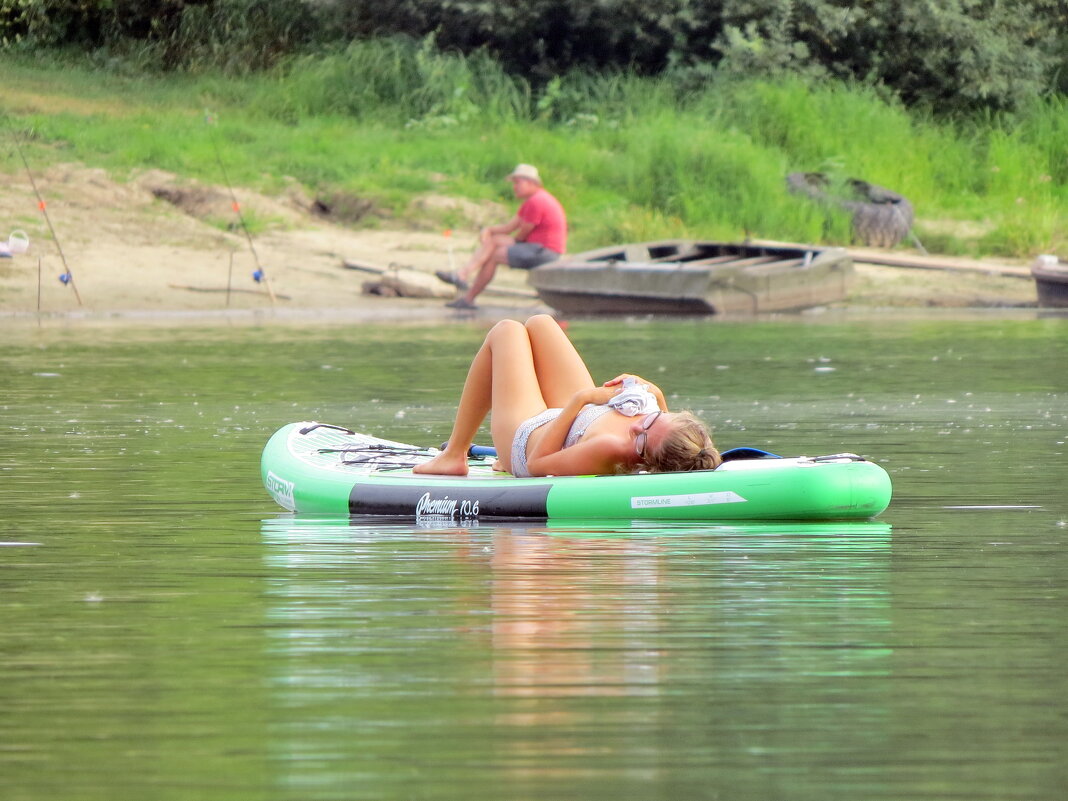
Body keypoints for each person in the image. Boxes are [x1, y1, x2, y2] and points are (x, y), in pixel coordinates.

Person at [413, 314, 721, 478]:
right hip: (571, 422)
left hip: (527, 438)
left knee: (507, 331)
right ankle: (462, 455)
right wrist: (653, 392)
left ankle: (454, 455)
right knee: (540, 323)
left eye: (642, 439)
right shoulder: (655, 427)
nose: (637, 425)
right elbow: (657, 422)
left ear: (647, 461)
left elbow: (536, 465)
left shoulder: (611, 447)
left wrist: (583, 399)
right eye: (654, 418)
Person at [437, 164, 566, 309]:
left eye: (518, 182)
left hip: (544, 252)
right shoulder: (531, 202)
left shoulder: (537, 201)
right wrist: (489, 230)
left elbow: (523, 233)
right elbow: (509, 228)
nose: (514, 187)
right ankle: (465, 287)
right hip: (536, 248)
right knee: (494, 246)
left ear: (531, 183)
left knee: (494, 253)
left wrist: (496, 240)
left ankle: (464, 280)